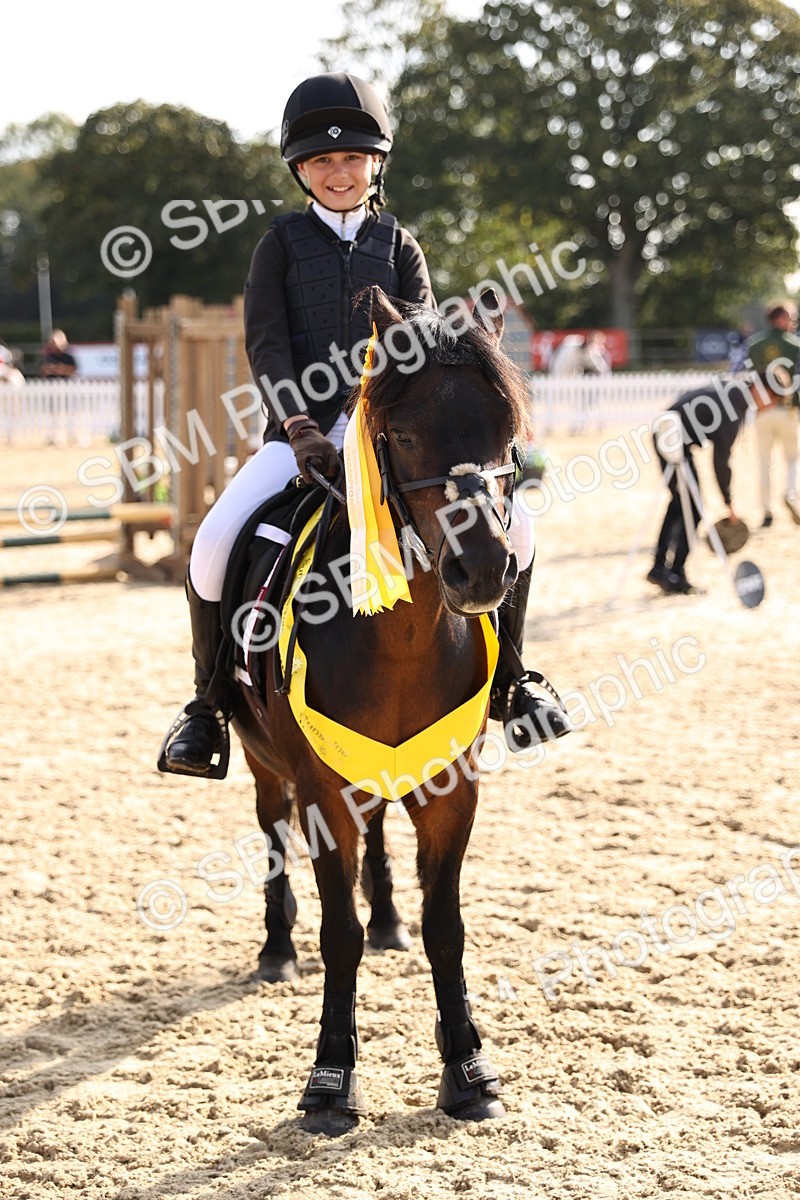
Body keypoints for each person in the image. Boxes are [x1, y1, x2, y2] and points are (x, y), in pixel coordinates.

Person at [161, 72, 570, 777]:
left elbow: (425, 344)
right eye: (322, 161)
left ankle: (512, 682)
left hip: (392, 440)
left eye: (352, 158)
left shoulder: (401, 244)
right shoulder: (279, 245)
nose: (338, 172)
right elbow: (267, 344)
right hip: (300, 439)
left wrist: (391, 427)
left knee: (519, 531)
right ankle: (208, 707)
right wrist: (298, 425)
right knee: (214, 541)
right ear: (300, 171)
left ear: (375, 163)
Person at [647, 376, 756, 595]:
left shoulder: (728, 390)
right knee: (692, 509)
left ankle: (660, 568)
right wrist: (728, 501)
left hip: (667, 433)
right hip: (674, 441)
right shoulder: (732, 407)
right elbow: (721, 460)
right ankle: (674, 572)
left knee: (679, 504)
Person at [741, 300, 800, 527]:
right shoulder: (795, 345)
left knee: (763, 462)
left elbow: (741, 375)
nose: (793, 322)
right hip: (788, 409)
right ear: (780, 319)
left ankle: (766, 511)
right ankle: (790, 493)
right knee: (792, 458)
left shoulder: (753, 344)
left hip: (762, 411)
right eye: (791, 317)